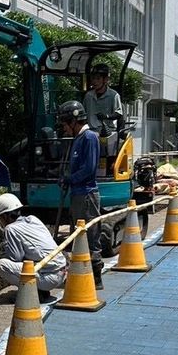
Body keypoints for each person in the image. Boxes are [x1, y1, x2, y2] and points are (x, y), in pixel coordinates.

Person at [57, 98, 103, 289]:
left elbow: (89, 169)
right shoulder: (77, 139)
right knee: (77, 235)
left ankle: (96, 276)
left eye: (65, 124)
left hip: (86, 195)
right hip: (78, 194)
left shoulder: (89, 138)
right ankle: (81, 273)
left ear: (74, 121)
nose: (64, 129)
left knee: (90, 235)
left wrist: (70, 179)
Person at [0, 193, 67, 303]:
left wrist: (6, 248)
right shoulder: (33, 219)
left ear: (5, 216)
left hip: (49, 277)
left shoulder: (10, 229)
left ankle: (31, 293)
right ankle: (40, 290)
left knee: (2, 264)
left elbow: (16, 258)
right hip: (62, 271)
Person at [83, 63, 123, 174]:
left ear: (105, 80)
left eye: (98, 78)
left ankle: (108, 169)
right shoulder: (88, 96)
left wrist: (107, 117)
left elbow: (119, 113)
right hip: (91, 131)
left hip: (108, 131)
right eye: (93, 78)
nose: (94, 81)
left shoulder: (114, 95)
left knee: (108, 145)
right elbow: (83, 114)